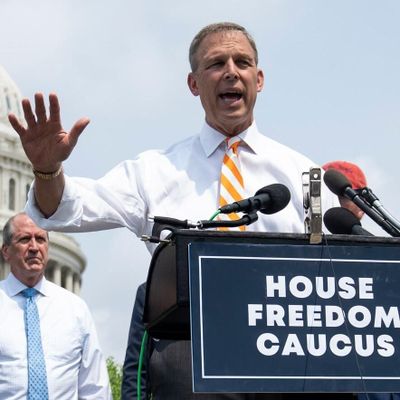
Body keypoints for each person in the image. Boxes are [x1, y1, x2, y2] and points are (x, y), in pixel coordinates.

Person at [8, 22, 339, 399]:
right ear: (194, 84)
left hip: (287, 360)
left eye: (242, 62)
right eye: (216, 64)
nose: (231, 71)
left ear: (259, 79)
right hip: (190, 359)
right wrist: (48, 170)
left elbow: (338, 270)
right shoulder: (155, 171)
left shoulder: (305, 175)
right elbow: (67, 209)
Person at [0, 212, 112, 399]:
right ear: (6, 251)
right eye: (25, 239)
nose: (34, 247)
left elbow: (94, 387)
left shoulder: (75, 309)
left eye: (41, 239)